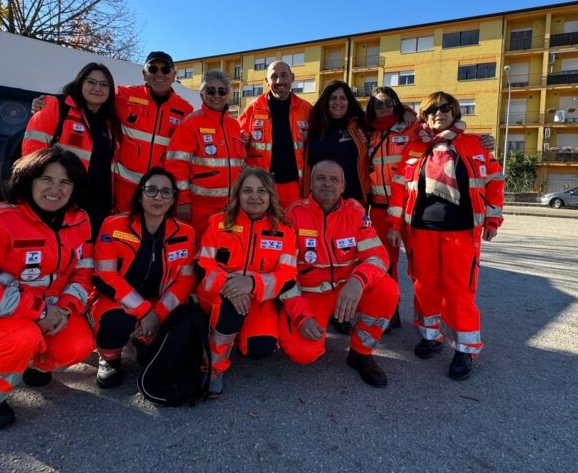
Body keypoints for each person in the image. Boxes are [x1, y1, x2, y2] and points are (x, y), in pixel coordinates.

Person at [0, 147, 95, 430]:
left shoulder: (80, 220)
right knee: (20, 339)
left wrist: (65, 308)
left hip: (50, 309)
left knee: (80, 345)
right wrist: (39, 312)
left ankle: (33, 364)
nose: (56, 189)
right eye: (46, 179)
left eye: (65, 182)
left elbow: (83, 271)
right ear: (28, 181)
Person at [386, 91, 504, 381]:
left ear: (455, 112)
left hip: (462, 230)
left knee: (459, 290)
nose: (439, 113)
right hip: (422, 229)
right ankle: (431, 336)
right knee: (425, 286)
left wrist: (493, 219)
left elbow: (494, 181)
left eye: (445, 108)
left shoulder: (475, 143)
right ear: (425, 116)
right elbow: (400, 188)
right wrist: (393, 224)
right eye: (432, 110)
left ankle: (465, 349)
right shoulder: (415, 147)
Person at [279, 160, 400, 387]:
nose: (327, 184)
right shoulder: (293, 215)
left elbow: (377, 256)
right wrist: (301, 316)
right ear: (310, 184)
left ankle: (361, 352)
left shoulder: (355, 212)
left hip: (347, 290)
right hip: (310, 295)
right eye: (321, 178)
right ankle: (293, 324)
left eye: (334, 179)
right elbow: (284, 274)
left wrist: (358, 280)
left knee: (387, 288)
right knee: (302, 353)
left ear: (343, 186)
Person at [89, 167, 196, 388]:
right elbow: (105, 275)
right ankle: (109, 358)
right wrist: (144, 311)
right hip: (116, 300)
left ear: (173, 199)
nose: (159, 197)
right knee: (116, 323)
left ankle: (143, 339)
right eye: (152, 190)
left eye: (166, 192)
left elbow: (185, 280)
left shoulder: (186, 232)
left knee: (171, 347)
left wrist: (157, 313)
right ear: (140, 194)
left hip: (159, 303)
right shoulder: (113, 225)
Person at [195, 167, 297, 397]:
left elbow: (288, 274)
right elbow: (203, 264)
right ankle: (213, 369)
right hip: (217, 293)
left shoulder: (285, 231)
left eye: (262, 191)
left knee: (259, 347)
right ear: (237, 195)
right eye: (247, 190)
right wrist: (230, 287)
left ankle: (229, 334)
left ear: (271, 195)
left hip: (258, 298)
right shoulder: (218, 223)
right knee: (230, 312)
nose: (254, 196)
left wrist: (251, 283)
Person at [23, 62, 122, 237]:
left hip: (99, 205)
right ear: (80, 83)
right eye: (91, 82)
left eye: (104, 84)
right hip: (61, 201)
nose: (97, 88)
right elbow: (31, 157)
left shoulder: (110, 122)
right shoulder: (55, 107)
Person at [164, 69, 246, 233]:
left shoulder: (234, 125)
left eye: (222, 91)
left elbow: (240, 164)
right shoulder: (191, 124)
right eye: (210, 90)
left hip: (231, 206)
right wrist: (182, 201)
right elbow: (176, 165)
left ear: (228, 94)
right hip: (200, 208)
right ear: (202, 94)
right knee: (201, 251)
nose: (216, 95)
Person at [363, 87, 417, 329]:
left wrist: (480, 139)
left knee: (419, 266)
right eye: (378, 104)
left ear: (397, 104)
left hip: (411, 207)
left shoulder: (412, 127)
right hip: (378, 208)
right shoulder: (367, 132)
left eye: (388, 103)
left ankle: (428, 320)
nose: (383, 108)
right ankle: (390, 310)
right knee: (385, 264)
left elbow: (442, 128)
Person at [114, 51, 195, 203]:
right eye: (153, 69)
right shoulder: (123, 96)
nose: (159, 74)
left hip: (160, 192)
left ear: (174, 75)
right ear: (144, 73)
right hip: (124, 187)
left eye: (165, 69)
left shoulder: (185, 110)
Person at [237, 61, 312, 208]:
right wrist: (242, 139)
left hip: (295, 187)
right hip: (261, 187)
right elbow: (236, 142)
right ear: (266, 81)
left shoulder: (307, 109)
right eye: (274, 76)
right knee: (263, 229)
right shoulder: (253, 109)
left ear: (292, 78)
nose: (279, 81)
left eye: (284, 75)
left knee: (291, 228)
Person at [302, 80, 369, 204]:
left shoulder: (361, 124)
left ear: (349, 101)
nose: (338, 102)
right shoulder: (313, 126)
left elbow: (386, 114)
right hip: (319, 201)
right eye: (333, 98)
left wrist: (406, 111)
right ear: (325, 101)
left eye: (343, 98)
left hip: (353, 200)